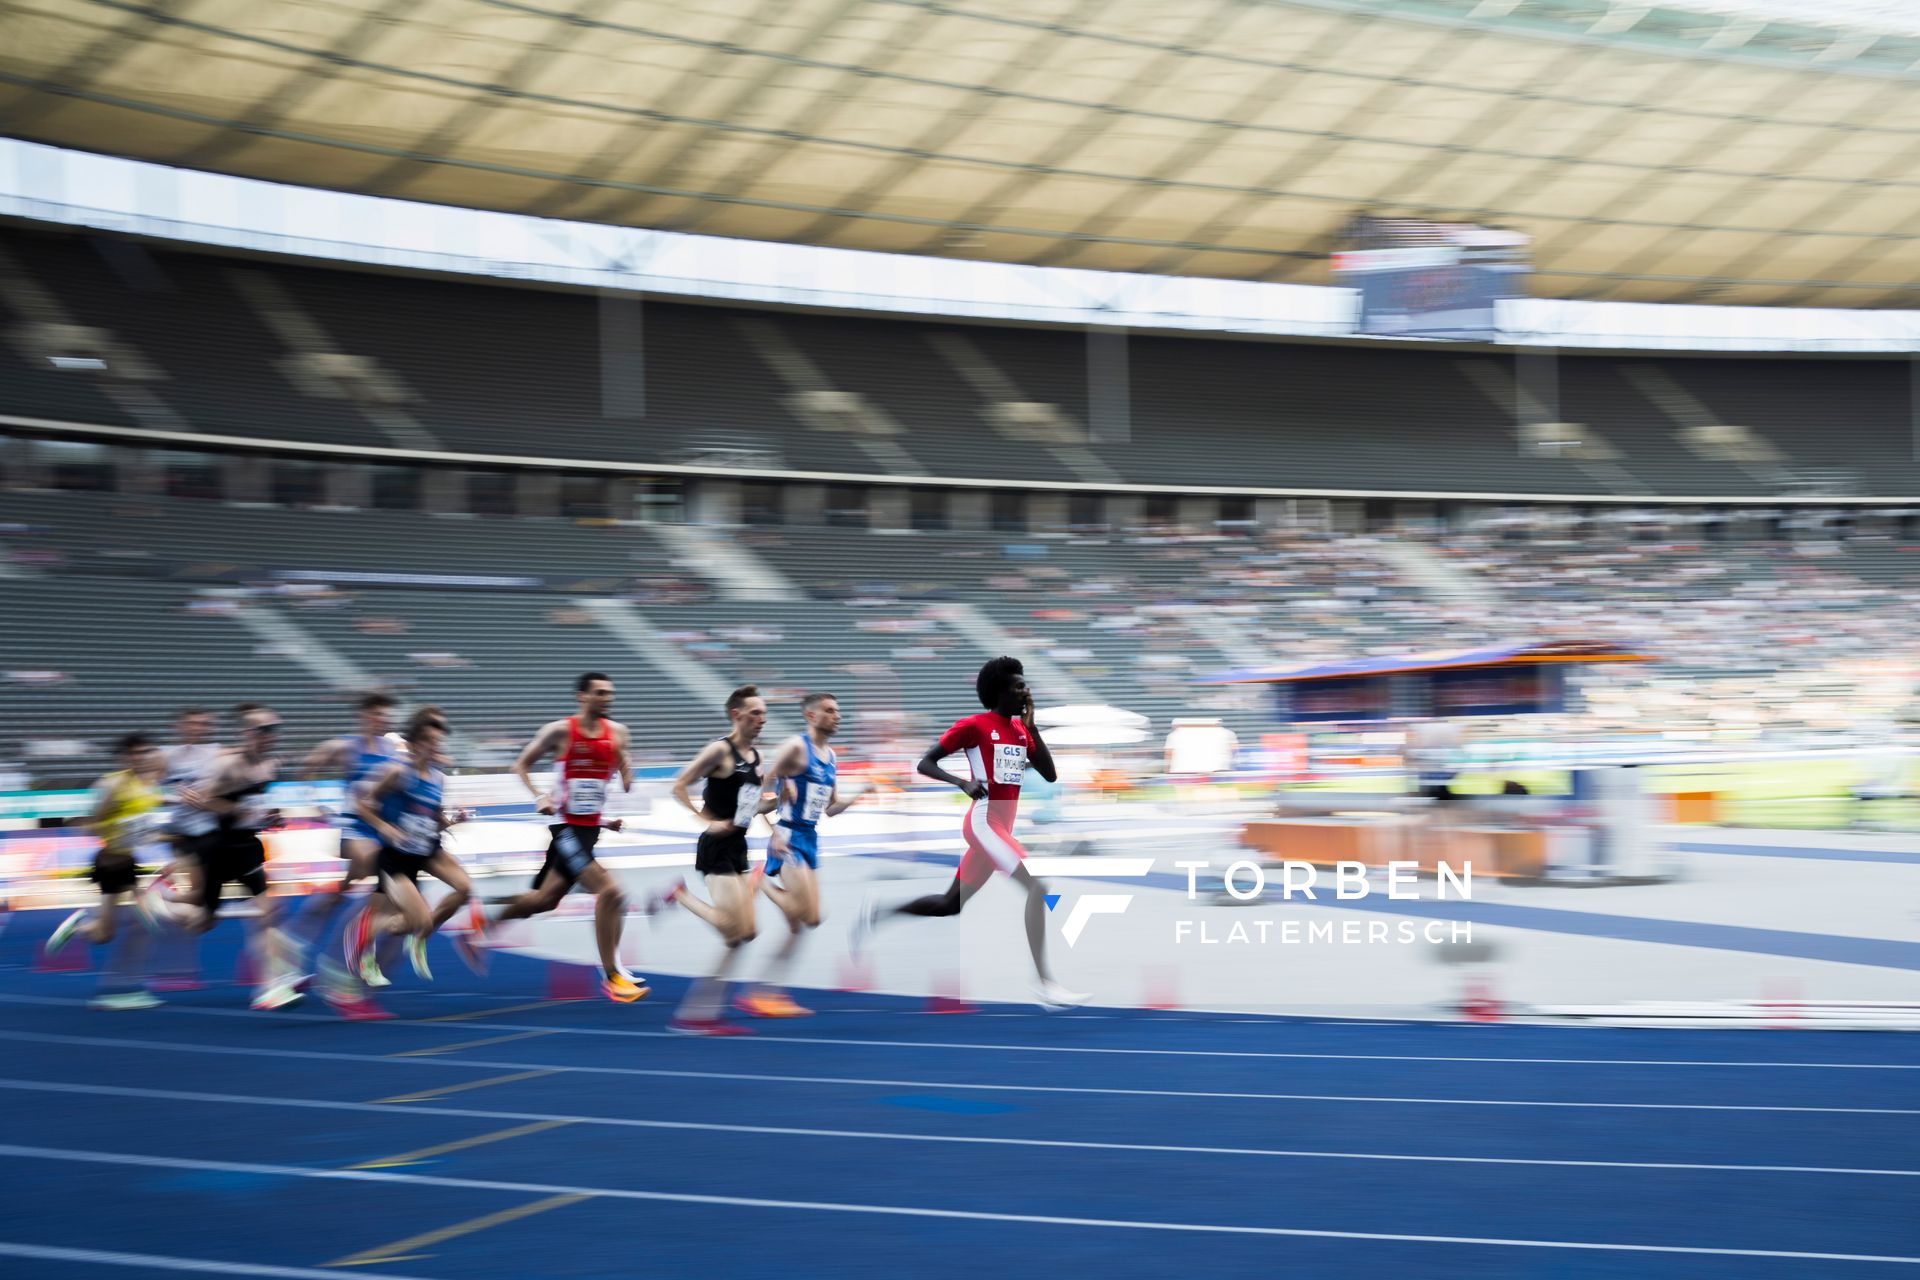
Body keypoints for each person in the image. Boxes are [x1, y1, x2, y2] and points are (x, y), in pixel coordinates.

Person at [854, 657, 1087, 1009]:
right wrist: (961, 782)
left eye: (1026, 685)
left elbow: (1050, 775)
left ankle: (881, 912)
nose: (1026, 690)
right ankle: (1045, 984)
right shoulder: (975, 725)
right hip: (984, 823)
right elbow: (925, 762)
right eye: (1018, 686)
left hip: (1000, 829)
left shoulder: (1022, 731)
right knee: (1038, 886)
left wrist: (1033, 726)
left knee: (950, 905)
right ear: (999, 692)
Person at [482, 673, 647, 1003]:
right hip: (566, 829)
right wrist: (539, 797)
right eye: (600, 693)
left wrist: (624, 778)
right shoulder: (560, 731)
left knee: (546, 900)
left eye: (610, 693)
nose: (607, 698)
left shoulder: (618, 734)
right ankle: (613, 976)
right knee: (612, 892)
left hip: (590, 830)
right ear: (581, 697)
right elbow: (520, 766)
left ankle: (484, 917)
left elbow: (622, 779)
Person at [736, 691, 868, 1018]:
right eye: (829, 710)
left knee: (799, 926)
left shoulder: (832, 756)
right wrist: (773, 830)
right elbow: (755, 788)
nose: (836, 715)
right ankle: (761, 881)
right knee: (811, 917)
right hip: (788, 836)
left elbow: (831, 809)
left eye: (837, 710)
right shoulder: (796, 747)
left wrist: (861, 794)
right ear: (811, 715)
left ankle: (766, 993)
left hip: (810, 838)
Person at [657, 684, 773, 1034]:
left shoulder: (757, 758)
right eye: (755, 713)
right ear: (736, 715)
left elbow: (753, 806)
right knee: (733, 931)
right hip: (714, 848)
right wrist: (708, 821)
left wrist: (780, 805)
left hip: (739, 847)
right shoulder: (719, 751)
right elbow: (678, 786)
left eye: (764, 714)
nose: (761, 719)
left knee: (746, 934)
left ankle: (699, 1013)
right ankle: (679, 895)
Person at [346, 707, 474, 987]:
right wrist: (384, 827)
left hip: (427, 850)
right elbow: (360, 803)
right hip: (396, 857)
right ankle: (367, 928)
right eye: (431, 740)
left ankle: (417, 934)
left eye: (439, 741)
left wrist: (454, 820)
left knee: (465, 888)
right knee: (415, 920)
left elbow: (435, 821)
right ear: (415, 743)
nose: (437, 746)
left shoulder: (438, 778)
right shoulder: (396, 772)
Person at [185, 704, 302, 1010]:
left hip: (247, 847)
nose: (270, 736)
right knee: (201, 922)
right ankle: (158, 905)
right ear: (248, 733)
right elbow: (201, 799)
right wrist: (239, 811)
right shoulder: (229, 765)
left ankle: (271, 986)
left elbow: (256, 804)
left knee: (268, 912)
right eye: (264, 730)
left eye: (273, 730)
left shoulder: (268, 765)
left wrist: (269, 816)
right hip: (219, 849)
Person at [46, 732, 166, 1009]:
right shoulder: (113, 784)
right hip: (110, 862)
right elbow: (93, 821)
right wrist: (111, 831)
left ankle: (81, 926)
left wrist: (155, 832)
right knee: (148, 920)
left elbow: (146, 821)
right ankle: (125, 987)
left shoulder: (149, 785)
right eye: (135, 753)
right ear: (125, 757)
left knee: (104, 934)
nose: (142, 757)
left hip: (129, 862)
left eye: (146, 752)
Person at [290, 692, 403, 987]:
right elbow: (306, 768)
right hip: (354, 827)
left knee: (343, 892)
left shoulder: (391, 748)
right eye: (379, 714)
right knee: (381, 879)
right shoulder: (344, 746)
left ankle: (298, 939)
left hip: (380, 828)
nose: (384, 720)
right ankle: (352, 960)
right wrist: (315, 806)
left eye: (387, 716)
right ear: (364, 716)